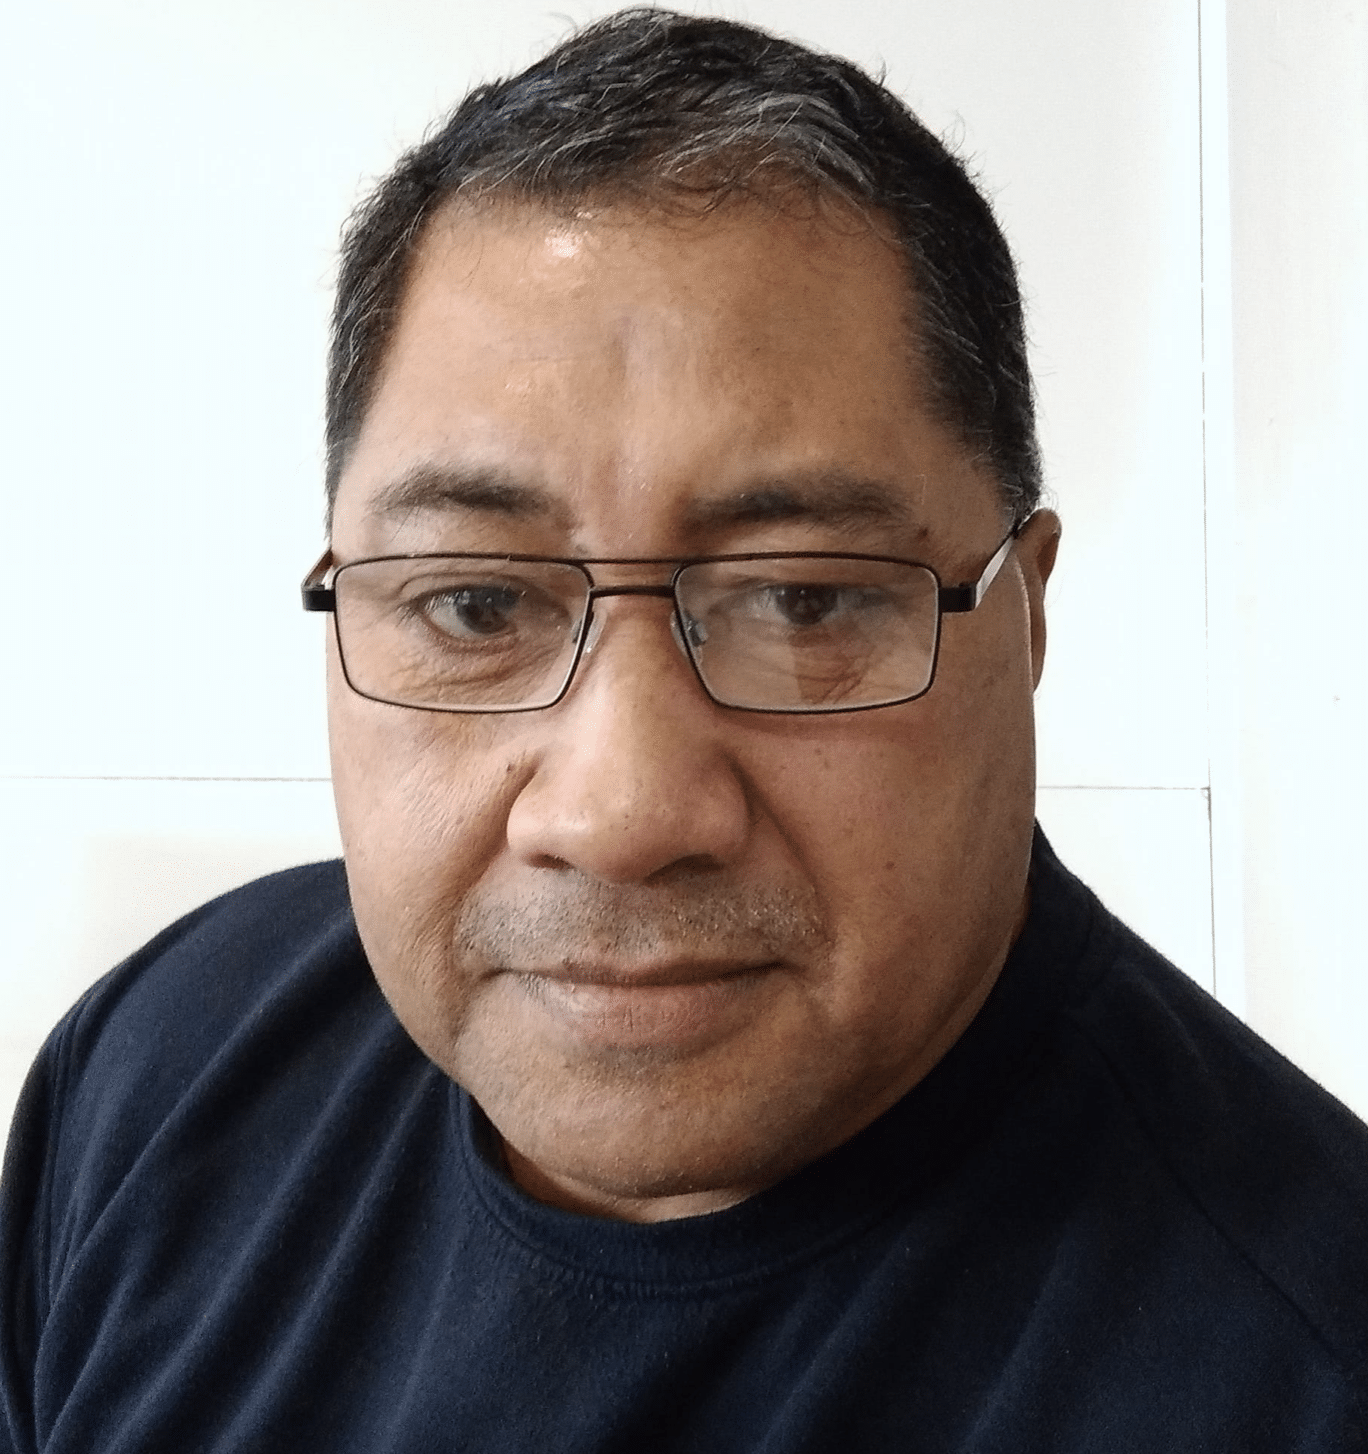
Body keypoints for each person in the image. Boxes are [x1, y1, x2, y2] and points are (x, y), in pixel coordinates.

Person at [2, 9, 1366, 1451]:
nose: (621, 812)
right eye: (474, 603)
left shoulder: (1304, 1372)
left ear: (1022, 618)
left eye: (803, 599)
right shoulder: (164, 1072)